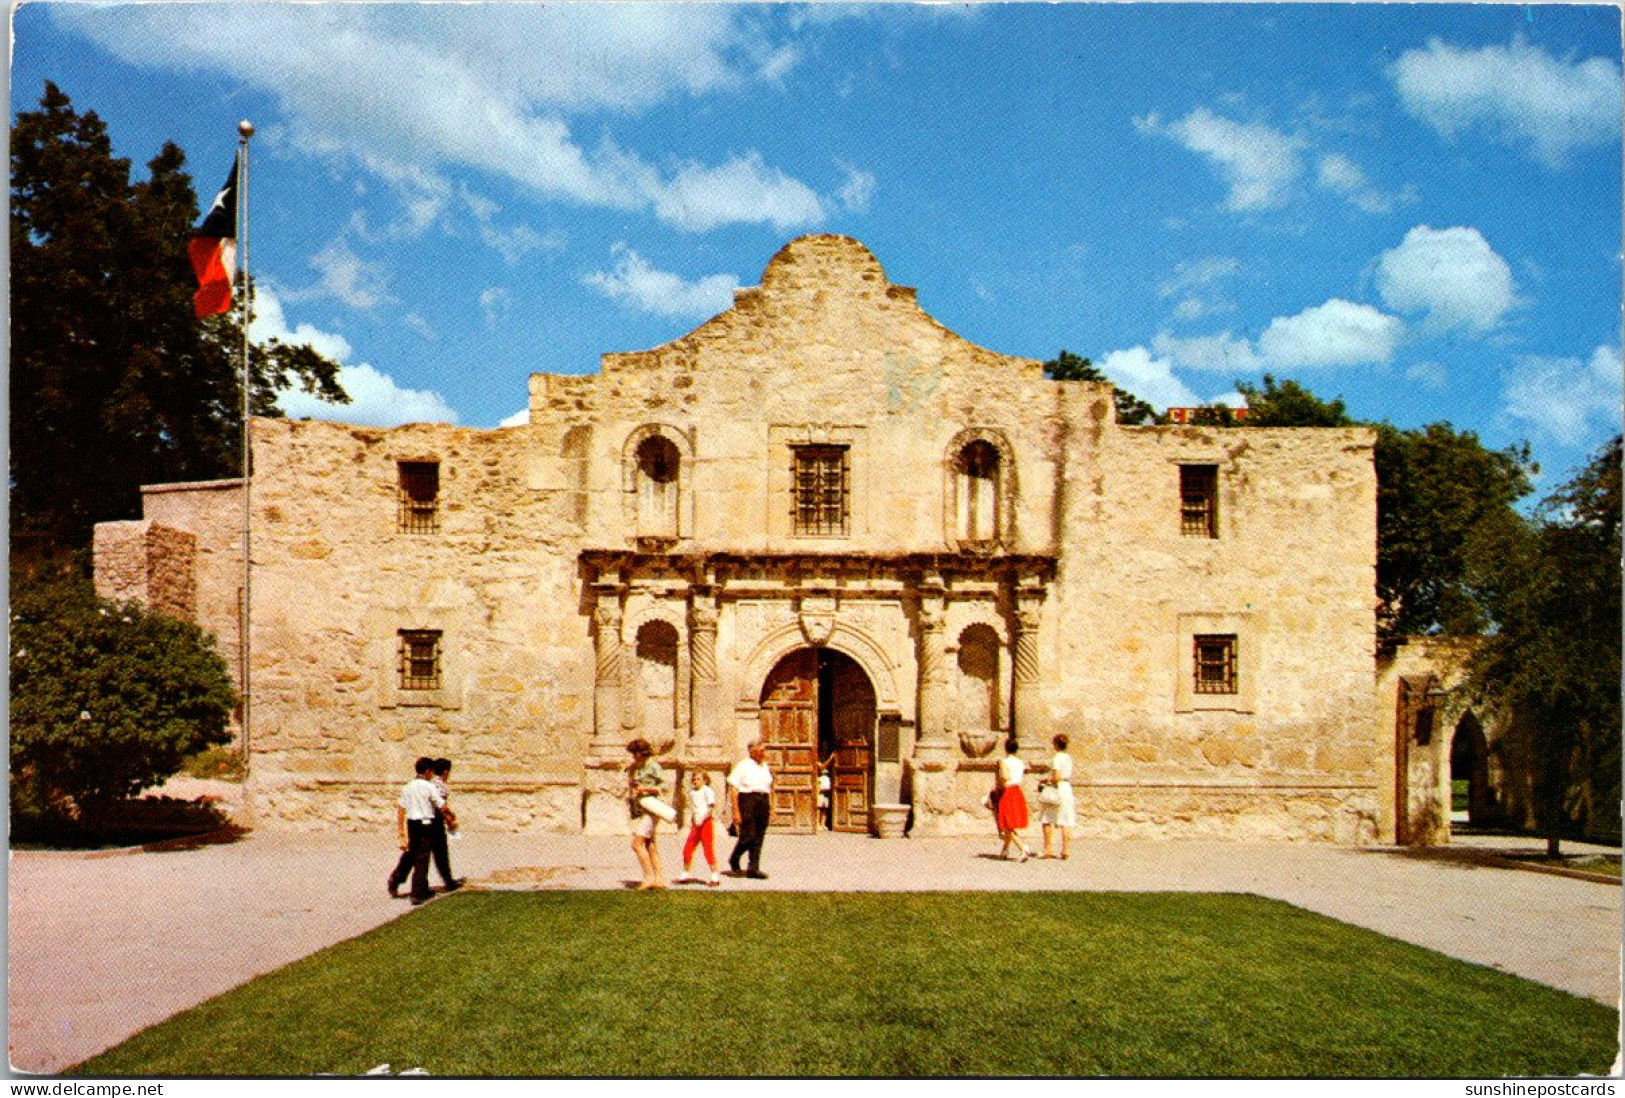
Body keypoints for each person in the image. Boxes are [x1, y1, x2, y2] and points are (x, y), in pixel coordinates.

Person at [389, 757, 445, 904]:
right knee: (422, 857)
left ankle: (396, 879)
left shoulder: (408, 786)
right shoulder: (429, 787)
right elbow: (441, 805)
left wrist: (401, 829)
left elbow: (401, 808)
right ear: (427, 771)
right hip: (426, 823)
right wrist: (450, 816)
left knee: (411, 854)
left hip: (412, 823)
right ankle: (418, 892)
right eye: (431, 772)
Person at [727, 739, 773, 879]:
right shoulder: (743, 765)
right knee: (749, 835)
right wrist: (735, 811)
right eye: (761, 750)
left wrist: (772, 808)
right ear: (753, 751)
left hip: (762, 800)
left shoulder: (765, 766)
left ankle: (754, 868)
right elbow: (733, 789)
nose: (764, 753)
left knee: (759, 835)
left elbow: (769, 788)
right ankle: (734, 858)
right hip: (747, 799)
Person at [626, 739, 669, 890]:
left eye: (634, 754)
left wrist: (646, 789)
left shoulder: (653, 766)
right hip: (643, 808)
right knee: (650, 844)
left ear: (640, 752)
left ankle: (648, 876)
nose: (633, 757)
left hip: (652, 808)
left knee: (636, 844)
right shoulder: (638, 767)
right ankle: (659, 878)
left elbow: (665, 786)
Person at [674, 769, 722, 887]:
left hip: (705, 823)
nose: (695, 781)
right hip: (696, 824)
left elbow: (711, 808)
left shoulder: (707, 791)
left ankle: (715, 874)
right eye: (694, 779)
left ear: (704, 780)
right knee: (687, 849)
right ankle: (686, 872)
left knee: (708, 850)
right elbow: (694, 808)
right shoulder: (692, 793)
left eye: (698, 779)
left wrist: (703, 818)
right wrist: (694, 821)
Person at [994, 737, 1032, 862]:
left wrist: (999, 782)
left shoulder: (1003, 761)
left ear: (1005, 748)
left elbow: (1005, 776)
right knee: (1010, 822)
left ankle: (1023, 848)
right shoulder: (1020, 762)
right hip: (1017, 790)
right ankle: (1004, 851)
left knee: (1007, 823)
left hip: (1008, 791)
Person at [429, 757, 463, 891]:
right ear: (445, 772)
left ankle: (396, 880)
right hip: (435, 821)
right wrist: (449, 820)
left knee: (417, 854)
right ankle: (448, 881)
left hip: (426, 819)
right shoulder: (441, 786)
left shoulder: (430, 783)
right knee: (441, 852)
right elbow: (440, 806)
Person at [1040, 734, 1076, 860]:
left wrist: (1046, 780)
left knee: (1047, 819)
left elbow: (1056, 776)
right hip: (1067, 788)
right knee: (1066, 820)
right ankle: (1065, 850)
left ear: (1056, 744)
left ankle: (1048, 849)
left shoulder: (1057, 758)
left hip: (1057, 789)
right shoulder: (1069, 758)